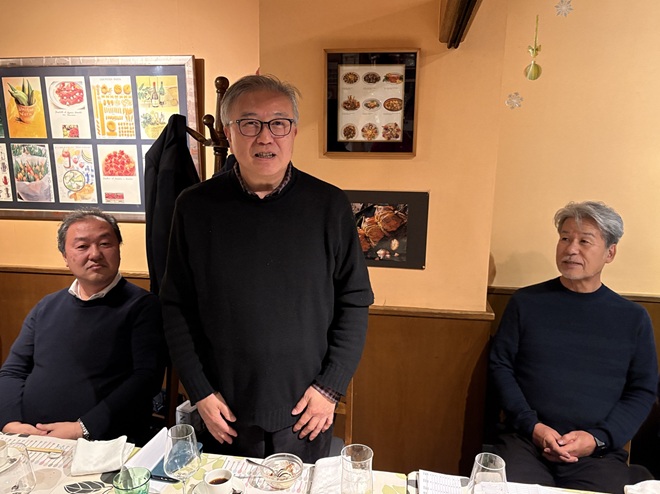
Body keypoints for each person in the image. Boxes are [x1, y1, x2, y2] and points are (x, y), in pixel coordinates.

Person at [160, 74, 373, 463]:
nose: (265, 137)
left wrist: (330, 388)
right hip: (221, 411)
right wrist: (200, 391)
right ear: (229, 132)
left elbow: (355, 300)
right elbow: (176, 305)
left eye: (278, 123)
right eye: (249, 123)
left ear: (294, 132)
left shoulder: (330, 205)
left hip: (306, 410)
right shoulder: (194, 206)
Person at [489, 201, 658, 493]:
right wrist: (534, 427)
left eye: (584, 241)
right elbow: (500, 366)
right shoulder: (526, 303)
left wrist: (597, 439)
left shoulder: (633, 318)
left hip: (597, 453)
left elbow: (642, 390)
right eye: (565, 238)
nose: (571, 249)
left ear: (610, 253)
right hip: (525, 441)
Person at [0, 208, 165, 444]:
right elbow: (13, 370)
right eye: (82, 246)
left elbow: (146, 378)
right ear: (65, 256)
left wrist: (83, 428)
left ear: (118, 249)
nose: (95, 254)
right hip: (29, 437)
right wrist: (10, 423)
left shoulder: (143, 305)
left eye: (105, 244)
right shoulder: (47, 306)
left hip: (101, 441)